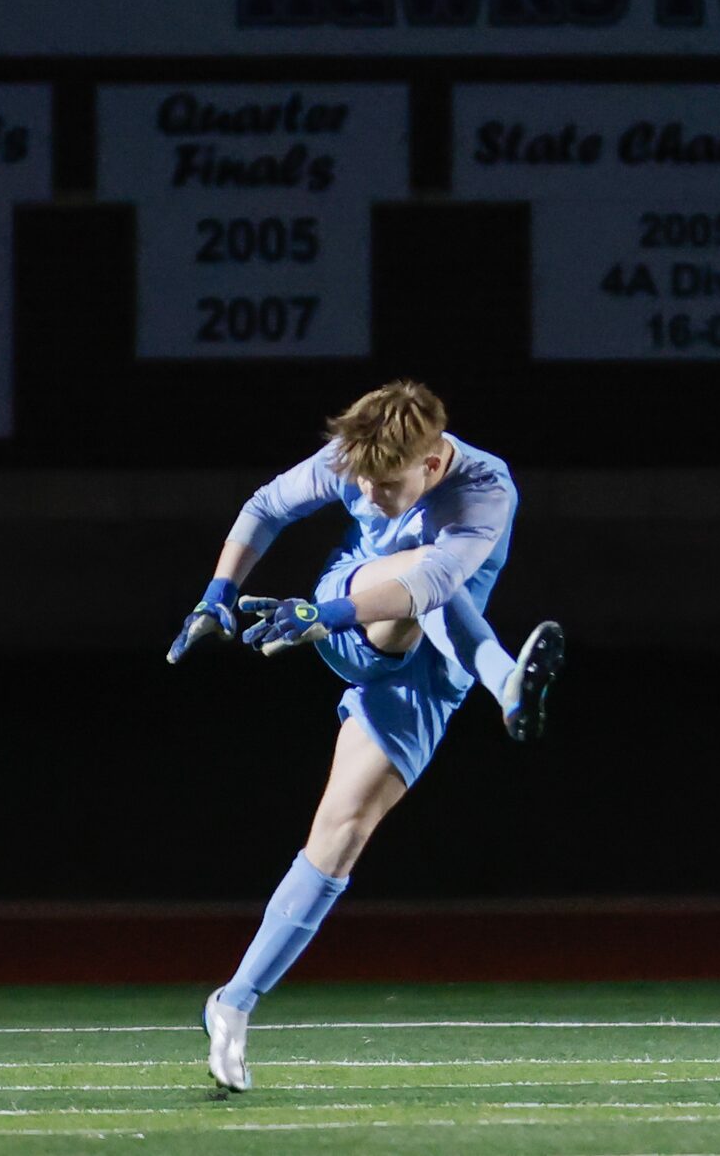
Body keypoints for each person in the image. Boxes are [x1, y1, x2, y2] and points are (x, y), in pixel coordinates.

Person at [164, 378, 562, 1092]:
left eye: (387, 486)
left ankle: (232, 1002)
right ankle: (508, 682)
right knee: (415, 569)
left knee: (340, 838)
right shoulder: (353, 459)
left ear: (433, 465)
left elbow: (437, 586)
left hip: (426, 670)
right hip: (353, 614)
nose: (370, 497)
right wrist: (217, 593)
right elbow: (266, 507)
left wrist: (327, 618)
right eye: (364, 483)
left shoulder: (484, 489)